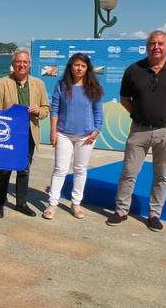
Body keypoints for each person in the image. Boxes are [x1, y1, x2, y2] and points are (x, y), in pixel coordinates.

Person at [107, 30, 166, 232]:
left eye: (161, 43)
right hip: (139, 131)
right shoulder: (133, 70)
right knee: (128, 172)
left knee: (162, 175)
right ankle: (121, 211)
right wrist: (138, 115)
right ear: (147, 47)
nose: (156, 47)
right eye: (152, 43)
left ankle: (154, 214)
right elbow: (125, 99)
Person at [43, 53, 103, 220]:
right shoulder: (62, 85)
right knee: (60, 169)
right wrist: (53, 131)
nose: (79, 68)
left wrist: (96, 130)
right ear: (70, 66)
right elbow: (55, 108)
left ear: (87, 68)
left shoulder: (93, 87)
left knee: (80, 170)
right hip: (63, 134)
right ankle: (52, 203)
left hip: (86, 136)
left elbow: (98, 111)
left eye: (83, 66)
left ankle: (76, 204)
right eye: (76, 65)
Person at [0, 48, 50, 218]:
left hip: (29, 135)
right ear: (13, 64)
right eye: (18, 62)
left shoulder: (38, 84)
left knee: (24, 170)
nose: (22, 65)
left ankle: (21, 203)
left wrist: (39, 110)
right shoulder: (2, 83)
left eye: (25, 62)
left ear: (30, 65)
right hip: (8, 135)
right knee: (5, 170)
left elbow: (46, 109)